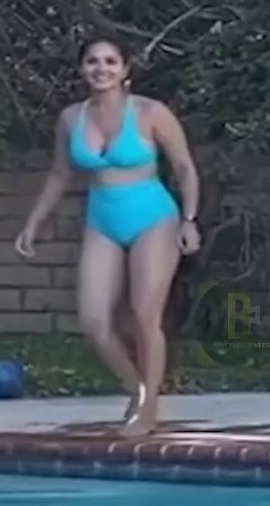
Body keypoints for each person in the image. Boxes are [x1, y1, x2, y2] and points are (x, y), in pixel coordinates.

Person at [15, 35, 202, 437]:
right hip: (102, 220)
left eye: (110, 61)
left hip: (154, 217)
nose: (101, 69)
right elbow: (60, 174)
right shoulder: (71, 118)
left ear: (125, 69)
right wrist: (34, 222)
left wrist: (189, 219)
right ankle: (137, 389)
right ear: (82, 69)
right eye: (93, 62)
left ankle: (148, 407)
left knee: (143, 315)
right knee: (94, 321)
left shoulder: (151, 113)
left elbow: (184, 167)